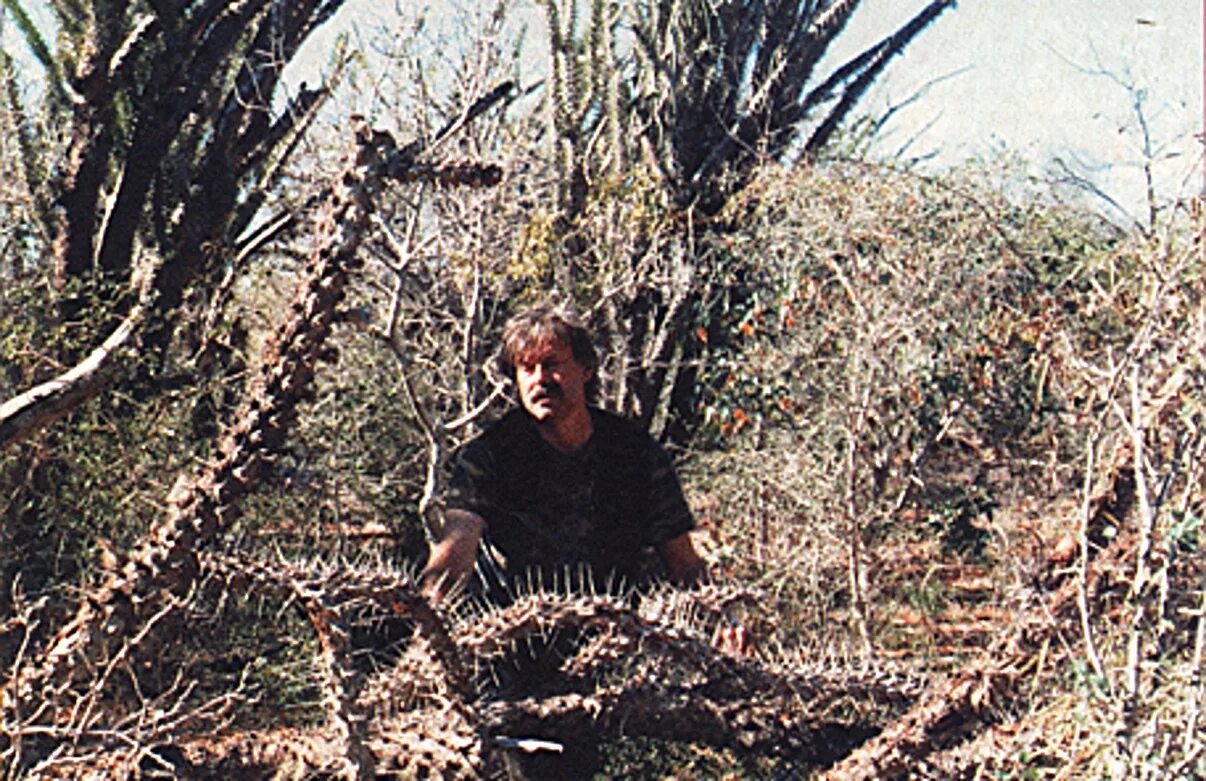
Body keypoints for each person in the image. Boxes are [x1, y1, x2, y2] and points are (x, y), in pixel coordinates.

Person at [421, 303, 707, 605]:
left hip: (622, 630)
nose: (539, 379)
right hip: (522, 631)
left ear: (586, 370)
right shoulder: (490, 454)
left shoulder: (635, 450)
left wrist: (721, 619)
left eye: (552, 364)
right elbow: (454, 555)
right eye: (527, 369)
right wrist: (429, 621)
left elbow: (684, 564)